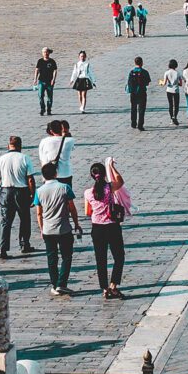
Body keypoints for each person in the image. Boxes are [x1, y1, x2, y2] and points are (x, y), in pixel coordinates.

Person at [84, 159, 128, 299]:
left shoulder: (88, 193)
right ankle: (113, 285)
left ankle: (104, 288)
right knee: (119, 256)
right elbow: (120, 181)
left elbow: (87, 212)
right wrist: (112, 167)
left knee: (100, 259)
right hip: (112, 226)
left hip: (97, 228)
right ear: (104, 175)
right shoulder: (109, 188)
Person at [37, 160, 81, 296]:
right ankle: (62, 283)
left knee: (52, 258)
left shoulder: (39, 191)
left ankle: (55, 284)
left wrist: (41, 228)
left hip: (48, 229)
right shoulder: (64, 187)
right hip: (64, 228)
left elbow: (39, 212)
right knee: (67, 256)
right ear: (56, 173)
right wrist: (76, 223)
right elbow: (71, 208)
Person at [0, 135, 35, 259]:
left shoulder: (1, 159)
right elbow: (30, 179)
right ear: (20, 146)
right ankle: (24, 244)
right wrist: (33, 194)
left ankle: (2, 249)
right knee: (25, 218)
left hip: (6, 191)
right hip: (22, 192)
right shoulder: (25, 158)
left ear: (8, 146)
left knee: (5, 221)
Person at [39, 120, 75, 195]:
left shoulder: (44, 141)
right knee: (66, 198)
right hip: (65, 173)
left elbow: (42, 158)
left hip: (48, 174)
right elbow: (72, 147)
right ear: (62, 129)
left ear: (51, 131)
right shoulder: (70, 141)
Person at [126, 56, 151, 132]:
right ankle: (140, 125)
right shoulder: (145, 72)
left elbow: (129, 82)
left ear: (135, 63)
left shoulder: (131, 72)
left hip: (133, 93)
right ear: (142, 63)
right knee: (141, 109)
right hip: (142, 92)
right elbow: (147, 83)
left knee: (133, 108)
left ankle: (133, 123)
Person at [34, 48, 58, 116]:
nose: (45, 53)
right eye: (44, 52)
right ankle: (42, 108)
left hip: (49, 82)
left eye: (46, 52)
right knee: (40, 95)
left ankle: (49, 109)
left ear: (49, 53)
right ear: (42, 53)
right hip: (41, 81)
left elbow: (55, 71)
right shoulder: (40, 61)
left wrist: (53, 79)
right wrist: (35, 79)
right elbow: (37, 70)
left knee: (50, 97)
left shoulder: (52, 61)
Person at [162, 59, 182, 125]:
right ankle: (175, 116)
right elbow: (180, 84)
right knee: (176, 105)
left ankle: (171, 118)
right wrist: (176, 83)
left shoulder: (166, 72)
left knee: (170, 105)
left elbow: (164, 83)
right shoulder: (177, 73)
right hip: (176, 90)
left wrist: (161, 83)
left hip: (169, 90)